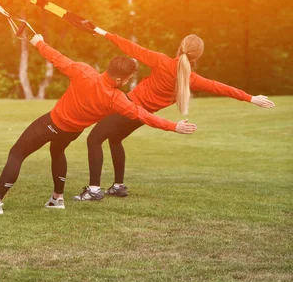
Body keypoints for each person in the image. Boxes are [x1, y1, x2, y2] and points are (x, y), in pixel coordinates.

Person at [0, 34, 197, 214]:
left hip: (53, 123)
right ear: (120, 79)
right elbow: (144, 115)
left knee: (17, 153)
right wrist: (173, 126)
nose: (127, 83)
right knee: (57, 151)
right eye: (128, 79)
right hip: (72, 132)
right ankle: (57, 199)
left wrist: (38, 42)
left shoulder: (84, 72)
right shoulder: (118, 99)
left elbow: (57, 58)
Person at [74, 29, 275, 201]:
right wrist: (250, 98)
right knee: (115, 139)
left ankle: (93, 190)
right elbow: (219, 87)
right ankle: (118, 187)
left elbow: (131, 48)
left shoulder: (163, 62)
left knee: (94, 139)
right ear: (197, 57)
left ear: (180, 48)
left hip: (129, 106)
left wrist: (103, 33)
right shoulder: (190, 78)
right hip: (142, 115)